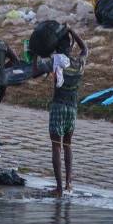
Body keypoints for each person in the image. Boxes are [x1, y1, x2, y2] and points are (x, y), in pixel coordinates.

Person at [47, 28, 87, 195]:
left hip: (58, 106)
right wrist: (72, 31)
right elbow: (85, 49)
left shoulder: (56, 60)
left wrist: (34, 57)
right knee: (68, 145)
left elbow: (35, 70)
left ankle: (58, 187)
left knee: (56, 147)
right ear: (70, 48)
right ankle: (69, 183)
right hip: (72, 108)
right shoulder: (79, 63)